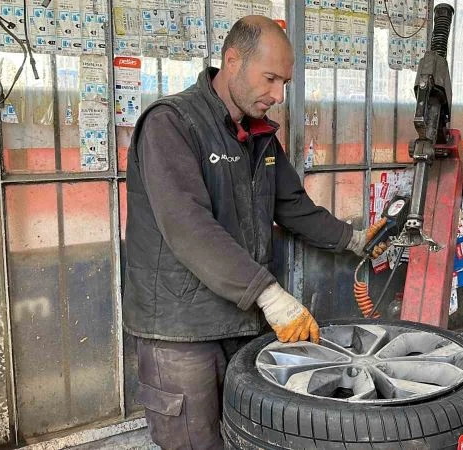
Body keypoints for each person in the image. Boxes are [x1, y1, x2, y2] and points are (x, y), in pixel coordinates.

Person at [122, 15, 385, 449]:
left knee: (249, 437)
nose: (278, 96)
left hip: (241, 322)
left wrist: (355, 240)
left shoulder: (258, 134)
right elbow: (188, 227)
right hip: (181, 330)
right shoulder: (172, 124)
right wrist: (270, 295)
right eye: (269, 79)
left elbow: (294, 207)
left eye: (284, 82)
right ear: (232, 61)